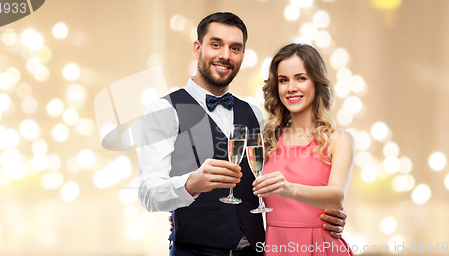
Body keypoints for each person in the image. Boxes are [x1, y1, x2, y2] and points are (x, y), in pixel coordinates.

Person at [137, 13, 347, 256]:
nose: (225, 55)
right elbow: (148, 194)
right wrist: (191, 183)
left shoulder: (254, 114)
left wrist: (327, 214)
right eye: (216, 44)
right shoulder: (164, 110)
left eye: (234, 48)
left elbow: (286, 178)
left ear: (242, 56)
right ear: (197, 48)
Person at [252, 43, 355, 255]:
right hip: (274, 247)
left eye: (301, 78)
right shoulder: (266, 140)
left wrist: (289, 189)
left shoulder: (339, 140)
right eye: (283, 80)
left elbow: (337, 196)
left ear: (316, 82)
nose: (291, 88)